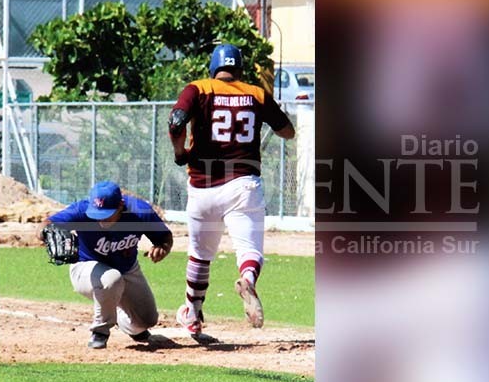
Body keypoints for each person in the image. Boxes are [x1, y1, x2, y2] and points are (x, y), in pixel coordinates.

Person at [168, 43, 296, 335]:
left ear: (213, 67)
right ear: (239, 68)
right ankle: (247, 279)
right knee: (249, 251)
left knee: (200, 254)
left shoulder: (198, 88)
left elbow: (176, 122)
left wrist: (179, 153)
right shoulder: (256, 93)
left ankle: (193, 313)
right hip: (243, 183)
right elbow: (288, 132)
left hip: (202, 185)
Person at [38, 181, 173, 349]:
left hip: (128, 269)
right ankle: (100, 331)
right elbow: (45, 225)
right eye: (97, 213)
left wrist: (162, 248)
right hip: (85, 269)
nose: (100, 218)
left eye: (107, 213)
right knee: (111, 278)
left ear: (120, 205)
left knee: (147, 319)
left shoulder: (140, 211)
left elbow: (165, 237)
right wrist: (46, 233)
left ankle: (126, 323)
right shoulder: (82, 209)